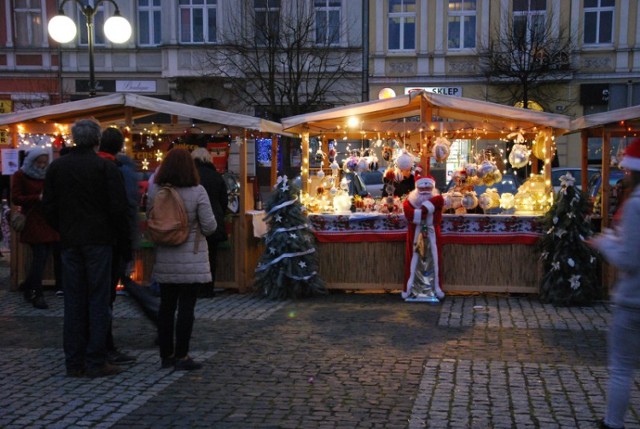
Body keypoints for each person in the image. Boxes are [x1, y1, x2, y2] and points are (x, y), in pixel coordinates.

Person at [43, 119, 131, 378]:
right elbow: (118, 210)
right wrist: (123, 245)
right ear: (96, 140)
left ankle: (74, 360)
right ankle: (95, 359)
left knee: (74, 301)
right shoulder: (105, 168)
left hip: (71, 241)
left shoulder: (57, 167)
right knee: (98, 300)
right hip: (99, 242)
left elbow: (48, 206)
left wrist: (63, 228)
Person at [149, 148, 217, 371]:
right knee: (187, 308)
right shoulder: (198, 191)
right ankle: (182, 355)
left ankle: (165, 356)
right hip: (192, 257)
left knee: (166, 307)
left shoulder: (157, 190)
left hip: (165, 255)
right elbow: (210, 226)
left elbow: (151, 218)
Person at [589, 139, 640, 429]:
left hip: (633, 300)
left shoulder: (635, 206)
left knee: (622, 368)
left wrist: (604, 242)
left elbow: (629, 259)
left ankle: (613, 423)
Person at [98, 127, 140, 365]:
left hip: (87, 242)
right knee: (107, 295)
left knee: (95, 296)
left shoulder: (104, 166)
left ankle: (94, 344)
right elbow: (123, 208)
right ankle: (104, 345)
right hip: (111, 242)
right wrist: (126, 242)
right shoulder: (119, 169)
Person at [11, 147, 62, 309]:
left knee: (43, 256)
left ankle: (29, 286)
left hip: (48, 220)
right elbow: (16, 198)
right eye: (39, 163)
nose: (42, 166)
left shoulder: (48, 174)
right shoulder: (21, 175)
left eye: (44, 163)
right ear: (32, 161)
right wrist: (36, 198)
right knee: (40, 257)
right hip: (33, 220)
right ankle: (36, 293)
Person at [401, 173, 445, 302]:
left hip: (432, 233)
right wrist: (427, 209)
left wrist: (423, 209)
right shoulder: (408, 201)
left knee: (434, 259)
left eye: (428, 188)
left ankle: (435, 288)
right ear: (416, 188)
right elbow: (410, 215)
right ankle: (410, 288)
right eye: (422, 188)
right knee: (413, 259)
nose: (425, 191)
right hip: (415, 232)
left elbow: (436, 213)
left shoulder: (438, 199)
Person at [191, 147, 228, 298]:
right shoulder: (217, 177)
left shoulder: (191, 176)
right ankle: (208, 288)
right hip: (214, 221)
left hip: (195, 222)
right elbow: (224, 201)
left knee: (194, 255)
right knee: (211, 256)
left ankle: (196, 288)